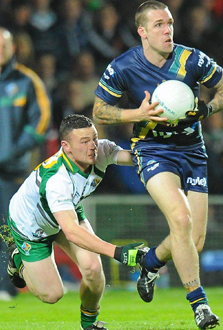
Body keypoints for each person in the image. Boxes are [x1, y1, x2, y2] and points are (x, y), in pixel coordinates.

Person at [93, 1, 223, 329]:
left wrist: (208, 108)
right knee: (180, 217)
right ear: (142, 31)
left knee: (193, 240)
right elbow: (99, 110)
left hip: (193, 150)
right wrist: (136, 114)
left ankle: (149, 262)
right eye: (158, 24)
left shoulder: (192, 59)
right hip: (152, 150)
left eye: (170, 23)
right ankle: (200, 307)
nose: (167, 30)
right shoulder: (123, 67)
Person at [6, 114, 145, 330]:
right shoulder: (57, 179)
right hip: (31, 228)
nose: (92, 147)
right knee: (52, 295)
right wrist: (118, 252)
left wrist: (165, 143)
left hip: (65, 210)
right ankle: (18, 260)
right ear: (66, 147)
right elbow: (71, 231)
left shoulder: (101, 150)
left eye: (94, 139)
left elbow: (138, 158)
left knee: (92, 269)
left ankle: (88, 325)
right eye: (84, 142)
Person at [0, 27, 51, 300]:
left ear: (12, 48)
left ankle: (7, 287)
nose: (1, 50)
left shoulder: (26, 80)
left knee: (8, 230)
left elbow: (41, 122)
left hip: (12, 172)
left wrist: (10, 153)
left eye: (4, 45)